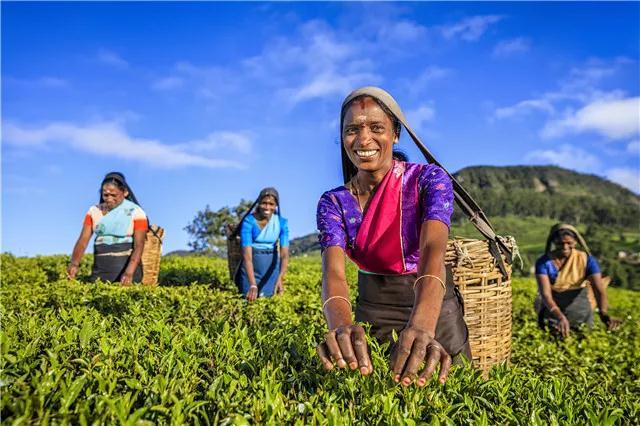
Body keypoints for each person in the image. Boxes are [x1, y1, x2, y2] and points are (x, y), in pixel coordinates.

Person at [315, 87, 470, 387]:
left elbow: (432, 250)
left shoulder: (428, 180)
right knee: (382, 395)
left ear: (395, 133)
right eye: (352, 130)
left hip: (434, 306)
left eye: (376, 128)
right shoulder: (333, 203)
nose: (363, 139)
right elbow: (333, 272)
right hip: (375, 311)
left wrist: (424, 326)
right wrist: (342, 327)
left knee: (455, 393)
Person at [535, 223, 622, 337]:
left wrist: (603, 313)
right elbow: (546, 294)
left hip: (581, 312)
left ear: (575, 242)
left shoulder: (586, 260)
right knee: (552, 340)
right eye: (561, 243)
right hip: (553, 314)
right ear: (554, 242)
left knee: (582, 340)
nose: (565, 247)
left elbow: (598, 289)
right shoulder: (544, 262)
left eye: (569, 243)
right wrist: (560, 317)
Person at [67, 172, 148, 284]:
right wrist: (74, 264)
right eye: (105, 195)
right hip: (101, 269)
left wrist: (129, 272)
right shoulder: (94, 211)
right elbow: (83, 241)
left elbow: (139, 245)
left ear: (125, 192)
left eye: (114, 195)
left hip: (127, 269)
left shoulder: (136, 212)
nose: (109, 199)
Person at [235, 187, 290, 302]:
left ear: (276, 206)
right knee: (247, 302)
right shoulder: (249, 221)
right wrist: (252, 284)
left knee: (267, 301)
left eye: (271, 204)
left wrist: (280, 278)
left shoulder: (281, 223)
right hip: (251, 267)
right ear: (259, 203)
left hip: (271, 267)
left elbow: (284, 255)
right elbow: (247, 256)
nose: (267, 207)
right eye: (264, 203)